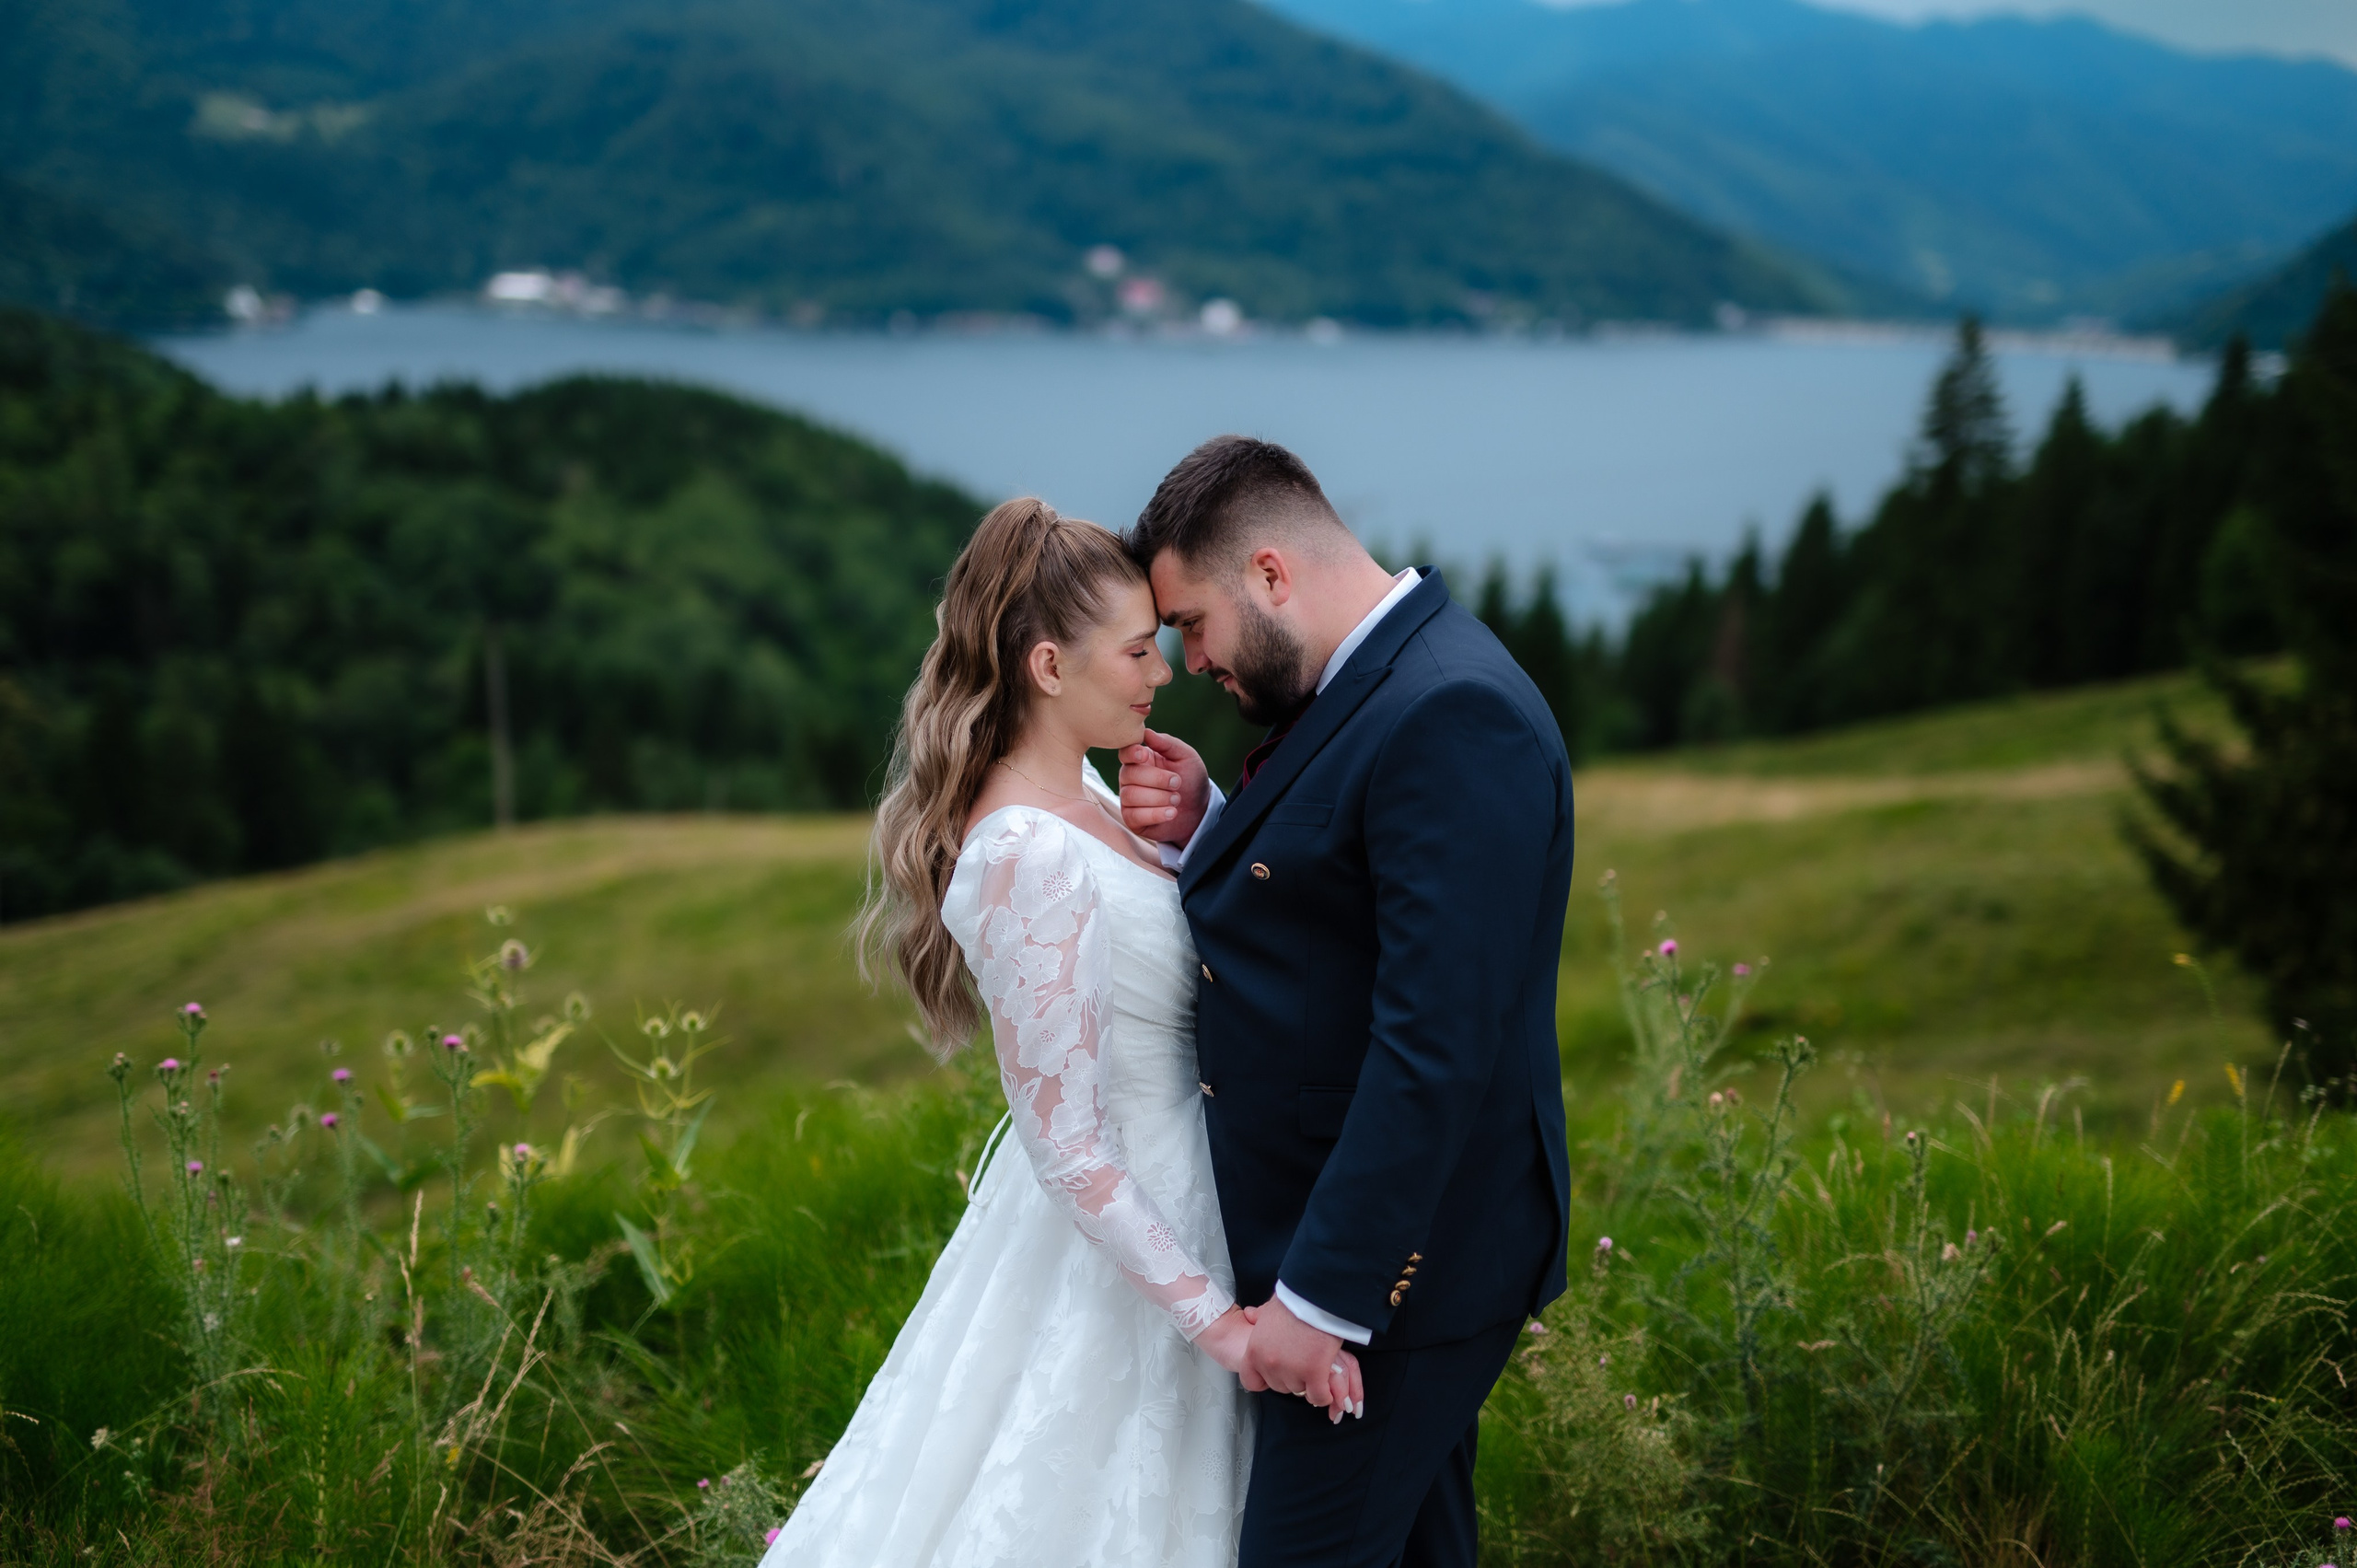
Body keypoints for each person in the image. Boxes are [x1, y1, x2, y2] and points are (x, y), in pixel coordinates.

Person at [761, 496, 1361, 1568]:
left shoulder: (1085, 790)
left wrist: (1203, 820)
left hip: (1202, 1191)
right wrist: (1216, 1323)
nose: (1162, 670)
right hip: (1145, 1248)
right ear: (1046, 665)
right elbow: (1068, 1144)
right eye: (1137, 650)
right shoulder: (1022, 855)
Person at [1116, 436, 1574, 1568]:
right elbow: (1341, 912)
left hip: (1398, 1278)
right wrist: (1213, 825)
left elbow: (1434, 1041)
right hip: (1366, 1253)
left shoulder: (1449, 711)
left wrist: (1320, 1300)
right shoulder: (1378, 681)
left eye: (1194, 625)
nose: (1187, 662)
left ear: (1271, 573)